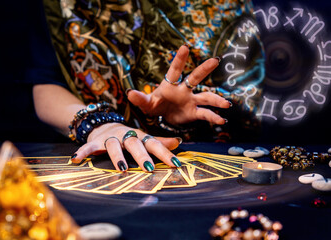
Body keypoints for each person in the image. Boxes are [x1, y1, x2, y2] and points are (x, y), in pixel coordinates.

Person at [32, 0, 263, 172]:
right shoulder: (64, 6)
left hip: (224, 160)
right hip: (109, 159)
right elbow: (45, 84)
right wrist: (100, 126)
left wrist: (177, 120)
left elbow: (263, 93)